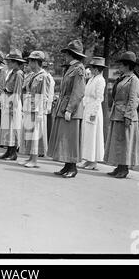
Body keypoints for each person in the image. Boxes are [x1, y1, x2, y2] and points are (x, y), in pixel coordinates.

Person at [47, 40, 86, 178]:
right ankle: (67, 165)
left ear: (72, 55)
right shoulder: (71, 68)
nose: (65, 56)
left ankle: (73, 167)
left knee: (71, 139)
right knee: (65, 137)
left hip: (72, 109)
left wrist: (70, 109)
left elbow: (78, 91)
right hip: (64, 106)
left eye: (67, 54)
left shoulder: (79, 69)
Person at [104, 51, 139, 178]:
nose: (119, 66)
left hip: (125, 115)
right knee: (119, 142)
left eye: (122, 64)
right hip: (117, 113)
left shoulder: (134, 80)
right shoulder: (123, 78)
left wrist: (128, 116)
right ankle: (119, 166)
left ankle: (124, 168)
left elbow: (133, 99)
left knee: (125, 142)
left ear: (128, 65)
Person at [20, 51, 50, 168]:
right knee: (30, 134)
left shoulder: (44, 76)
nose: (29, 63)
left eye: (31, 61)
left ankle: (35, 159)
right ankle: (30, 157)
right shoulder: (32, 75)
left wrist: (41, 112)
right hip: (29, 106)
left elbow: (44, 95)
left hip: (37, 109)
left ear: (36, 62)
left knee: (35, 134)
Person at [79, 57, 106, 170]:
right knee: (87, 134)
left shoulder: (100, 80)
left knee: (94, 134)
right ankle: (87, 159)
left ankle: (94, 161)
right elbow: (86, 94)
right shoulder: (91, 79)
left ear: (97, 69)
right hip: (88, 107)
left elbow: (99, 98)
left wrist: (93, 112)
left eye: (93, 68)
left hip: (94, 109)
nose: (91, 70)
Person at [0, 49, 25, 161]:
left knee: (13, 126)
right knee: (7, 127)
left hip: (13, 101)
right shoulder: (12, 73)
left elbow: (17, 91)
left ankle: (13, 152)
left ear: (15, 62)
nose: (8, 63)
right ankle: (8, 150)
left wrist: (13, 104)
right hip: (8, 98)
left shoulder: (18, 74)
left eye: (10, 62)